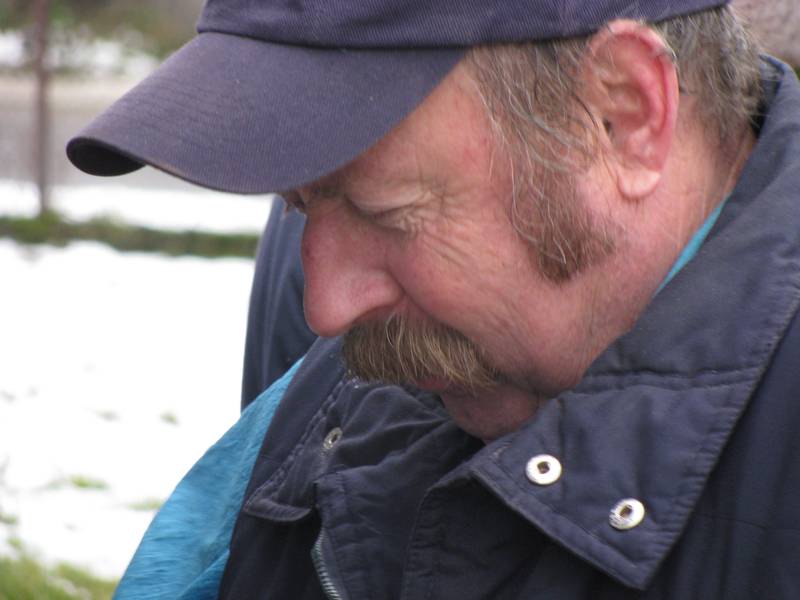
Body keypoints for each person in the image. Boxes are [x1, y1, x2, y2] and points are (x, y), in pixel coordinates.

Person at [67, 0, 800, 598]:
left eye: (385, 213)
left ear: (624, 113)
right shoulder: (313, 416)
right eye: (299, 205)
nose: (325, 309)